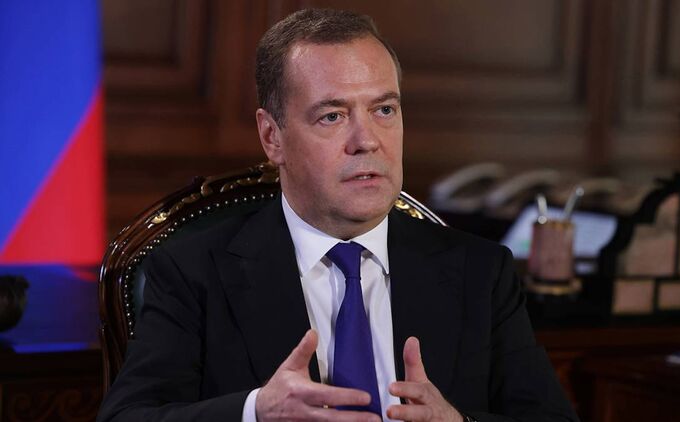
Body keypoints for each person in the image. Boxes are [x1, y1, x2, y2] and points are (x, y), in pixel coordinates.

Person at [97, 8, 579, 422]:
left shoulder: (480, 272)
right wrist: (257, 411)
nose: (367, 141)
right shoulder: (193, 271)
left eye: (384, 110)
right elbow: (127, 416)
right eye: (332, 115)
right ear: (272, 137)